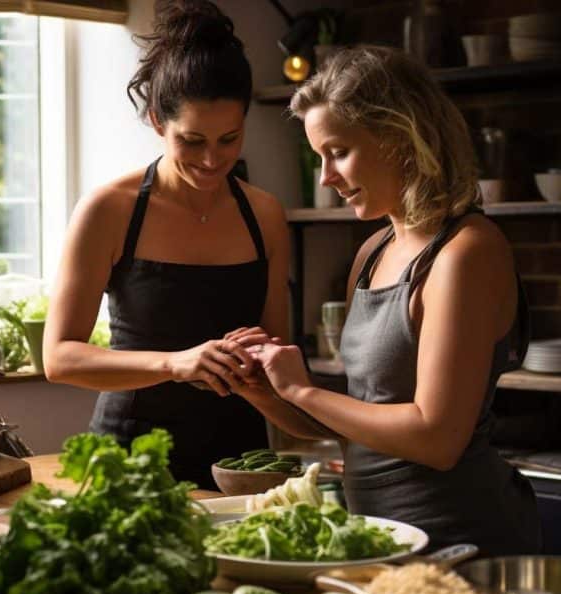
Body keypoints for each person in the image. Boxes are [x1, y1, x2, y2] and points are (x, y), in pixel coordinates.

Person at [227, 46, 540, 556]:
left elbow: (436, 440)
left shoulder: (467, 251)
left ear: (400, 137)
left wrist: (304, 392)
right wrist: (264, 391)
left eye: (338, 152)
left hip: (459, 541)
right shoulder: (374, 251)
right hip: (382, 541)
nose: (326, 177)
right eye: (318, 157)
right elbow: (360, 429)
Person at [43, 0, 290, 488]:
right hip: (130, 458)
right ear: (157, 120)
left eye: (229, 138)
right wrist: (176, 364)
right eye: (192, 140)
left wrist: (261, 356)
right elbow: (59, 357)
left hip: (240, 460)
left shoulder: (265, 214)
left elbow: (279, 351)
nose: (212, 159)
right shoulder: (108, 210)